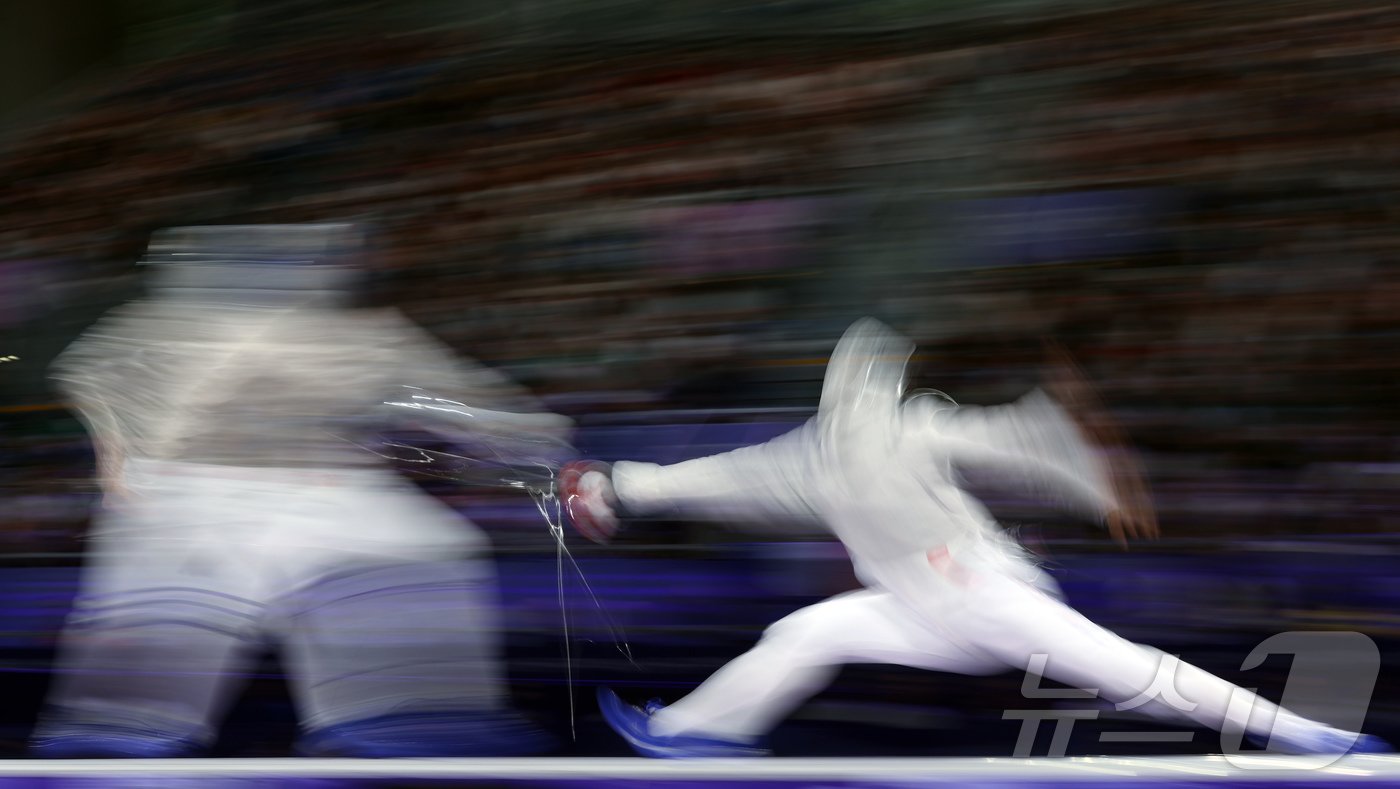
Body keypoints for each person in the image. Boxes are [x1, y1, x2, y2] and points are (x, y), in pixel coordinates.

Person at [563, 318, 1389, 758]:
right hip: (921, 610)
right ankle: (697, 734)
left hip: (987, 596)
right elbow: (1019, 439)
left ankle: (1312, 734)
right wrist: (618, 485)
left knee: (1129, 671)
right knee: (804, 633)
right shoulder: (842, 445)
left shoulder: (848, 443)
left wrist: (617, 484)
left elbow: (1011, 440)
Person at [34, 224, 571, 758]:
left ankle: (411, 722)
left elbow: (465, 407)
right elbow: (92, 381)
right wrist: (118, 456)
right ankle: (114, 739)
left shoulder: (362, 335)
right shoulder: (154, 328)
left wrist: (540, 446)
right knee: (130, 707)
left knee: (416, 590)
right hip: (189, 505)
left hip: (324, 502)